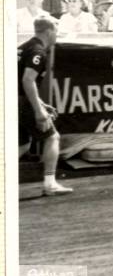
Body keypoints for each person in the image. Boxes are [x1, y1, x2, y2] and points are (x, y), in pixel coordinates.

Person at [19, 17, 73, 196]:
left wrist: (42, 104)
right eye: (56, 31)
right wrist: (39, 110)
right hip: (21, 101)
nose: (57, 35)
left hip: (14, 99)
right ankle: (50, 184)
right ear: (49, 32)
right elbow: (27, 80)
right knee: (52, 138)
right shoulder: (38, 51)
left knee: (23, 145)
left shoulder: (25, 46)